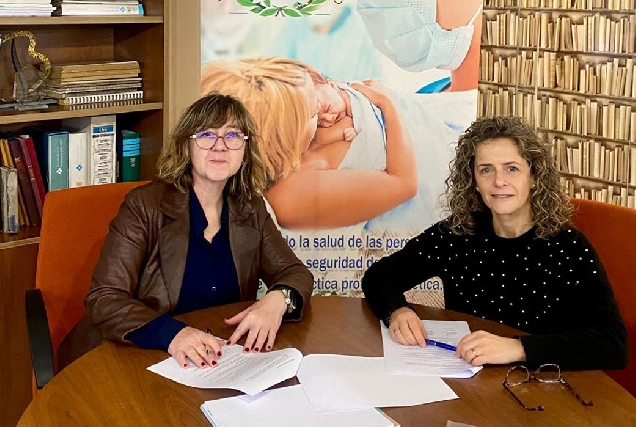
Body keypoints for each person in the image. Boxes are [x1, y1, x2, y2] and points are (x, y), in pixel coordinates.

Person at [361, 116, 629, 370]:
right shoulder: (457, 233)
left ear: (534, 177)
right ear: (474, 181)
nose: (499, 181)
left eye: (512, 168)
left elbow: (613, 345)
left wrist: (518, 348)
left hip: (542, 385)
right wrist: (397, 310)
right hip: (470, 379)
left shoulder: (568, 247)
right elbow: (380, 276)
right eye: (486, 170)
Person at [80, 93, 313, 370]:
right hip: (147, 355)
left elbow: (294, 272)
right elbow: (105, 298)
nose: (220, 146)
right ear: (186, 145)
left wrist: (277, 299)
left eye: (232, 135)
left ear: (245, 149)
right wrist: (172, 334)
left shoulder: (250, 207)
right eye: (206, 135)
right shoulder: (145, 205)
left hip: (220, 356)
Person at [201, 57, 417, 230]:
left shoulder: (299, 139)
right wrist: (386, 104)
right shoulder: (289, 197)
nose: (321, 114)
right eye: (314, 111)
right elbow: (404, 184)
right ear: (285, 136)